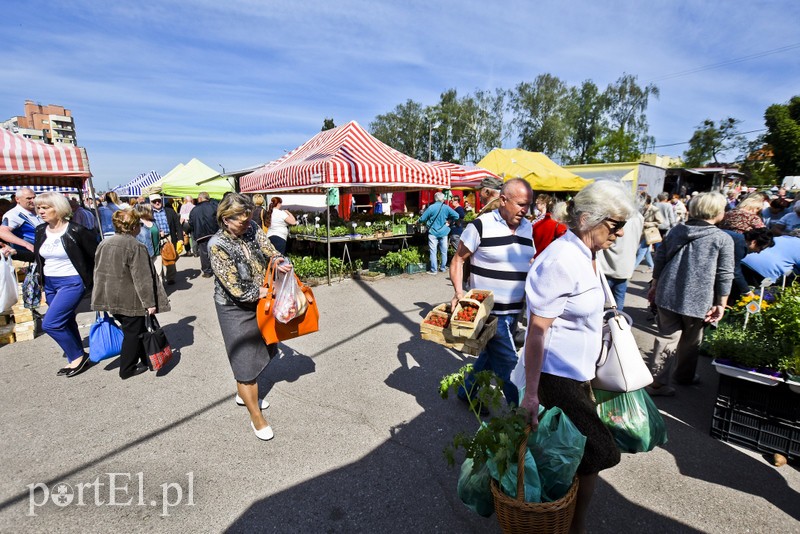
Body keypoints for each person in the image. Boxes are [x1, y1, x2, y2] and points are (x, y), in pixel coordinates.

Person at [519, 180, 637, 534]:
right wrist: (531, 394)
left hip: (578, 372)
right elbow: (537, 331)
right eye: (615, 225)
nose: (619, 234)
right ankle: (574, 527)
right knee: (597, 453)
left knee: (573, 455)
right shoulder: (561, 259)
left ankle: (566, 522)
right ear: (587, 219)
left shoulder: (589, 254)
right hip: (557, 377)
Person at [209, 193, 292, 441]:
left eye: (248, 220)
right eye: (241, 222)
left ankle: (244, 393)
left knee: (264, 347)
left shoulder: (253, 227)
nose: (247, 225)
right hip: (234, 307)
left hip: (261, 302)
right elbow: (234, 287)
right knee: (244, 362)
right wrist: (263, 291)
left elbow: (269, 249)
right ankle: (256, 416)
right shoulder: (217, 245)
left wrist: (278, 261)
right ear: (225, 219)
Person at [449, 178, 534, 407]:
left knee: (488, 357)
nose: (525, 210)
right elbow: (457, 261)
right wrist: (458, 292)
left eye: (528, 204)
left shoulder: (528, 227)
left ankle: (466, 392)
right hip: (490, 313)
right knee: (510, 367)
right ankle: (523, 419)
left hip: (515, 311)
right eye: (520, 204)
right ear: (503, 200)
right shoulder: (480, 225)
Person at [647, 192, 734, 397]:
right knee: (691, 340)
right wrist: (722, 302)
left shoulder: (677, 230)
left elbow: (660, 257)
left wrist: (655, 284)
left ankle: (658, 382)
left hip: (668, 291)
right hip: (700, 298)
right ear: (717, 212)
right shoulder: (722, 238)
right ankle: (683, 376)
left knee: (667, 337)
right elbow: (725, 273)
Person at [92, 209, 169, 379]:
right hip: (130, 299)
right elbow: (142, 278)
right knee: (132, 334)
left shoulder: (105, 243)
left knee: (136, 330)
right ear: (134, 226)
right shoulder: (135, 246)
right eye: (139, 224)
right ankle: (127, 368)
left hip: (111, 297)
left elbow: (99, 272)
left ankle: (146, 358)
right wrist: (150, 303)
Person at [33, 192, 97, 377]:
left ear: (59, 208)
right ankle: (76, 356)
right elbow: (39, 260)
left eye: (46, 207)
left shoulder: (77, 230)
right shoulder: (40, 230)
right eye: (39, 208)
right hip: (50, 283)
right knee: (66, 320)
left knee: (51, 323)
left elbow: (95, 257)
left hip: (72, 282)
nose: (41, 211)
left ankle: (77, 356)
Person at [597, 207, 644, 311]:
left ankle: (599, 320)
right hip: (626, 263)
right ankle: (617, 321)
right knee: (619, 297)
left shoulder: (615, 214)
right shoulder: (638, 216)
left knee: (600, 298)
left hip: (607, 264)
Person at [720, 228, 775, 302]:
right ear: (754, 242)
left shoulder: (737, 238)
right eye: (760, 248)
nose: (758, 252)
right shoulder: (740, 245)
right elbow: (734, 270)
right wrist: (747, 292)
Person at [419, 192, 460, 274]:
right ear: (443, 199)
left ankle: (434, 270)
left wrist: (418, 221)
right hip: (444, 232)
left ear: (435, 198)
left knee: (433, 251)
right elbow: (457, 216)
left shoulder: (431, 207)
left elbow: (422, 219)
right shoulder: (446, 207)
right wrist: (450, 221)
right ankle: (443, 268)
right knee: (444, 251)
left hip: (433, 232)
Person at [0, 187, 42, 262]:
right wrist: (26, 244)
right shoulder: (14, 214)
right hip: (27, 258)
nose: (33, 200)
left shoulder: (37, 211)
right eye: (29, 198)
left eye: (34, 197)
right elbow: (2, 232)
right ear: (17, 199)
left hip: (41, 255)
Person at [149, 193, 183, 285]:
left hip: (169, 237)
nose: (157, 203)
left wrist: (180, 239)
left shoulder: (170, 211)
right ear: (151, 203)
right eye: (154, 201)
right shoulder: (149, 213)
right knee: (158, 259)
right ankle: (160, 278)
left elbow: (177, 225)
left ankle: (171, 277)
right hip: (156, 239)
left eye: (159, 200)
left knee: (170, 257)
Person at [189, 192, 219, 278]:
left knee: (204, 253)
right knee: (215, 251)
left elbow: (191, 222)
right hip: (214, 233)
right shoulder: (214, 207)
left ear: (200, 199)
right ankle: (217, 268)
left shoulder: (194, 210)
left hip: (201, 234)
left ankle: (207, 271)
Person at [531, 194, 567, 258]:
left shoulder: (536, 224)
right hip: (552, 259)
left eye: (538, 202)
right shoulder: (560, 226)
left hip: (537, 259)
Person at [635, 194, 663, 271]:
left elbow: (660, 221)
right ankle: (651, 266)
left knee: (641, 251)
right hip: (642, 232)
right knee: (646, 251)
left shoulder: (654, 209)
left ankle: (631, 269)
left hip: (649, 233)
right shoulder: (642, 209)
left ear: (646, 202)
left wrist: (648, 224)